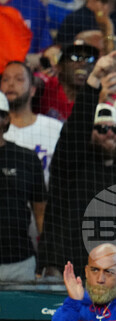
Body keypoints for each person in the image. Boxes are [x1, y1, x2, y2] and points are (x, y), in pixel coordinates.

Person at [38, 51, 116, 276]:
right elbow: (77, 127)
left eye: (115, 128)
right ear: (89, 132)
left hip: (103, 276)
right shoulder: (70, 163)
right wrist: (94, 79)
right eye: (101, 128)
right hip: (63, 271)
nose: (109, 133)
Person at [0, 92, 47, 282]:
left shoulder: (26, 158)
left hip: (20, 262)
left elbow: (41, 214)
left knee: (21, 313)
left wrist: (45, 259)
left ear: (5, 119)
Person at [2, 60, 62, 183]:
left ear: (32, 90)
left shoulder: (55, 128)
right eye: (5, 79)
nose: (11, 84)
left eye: (19, 79)